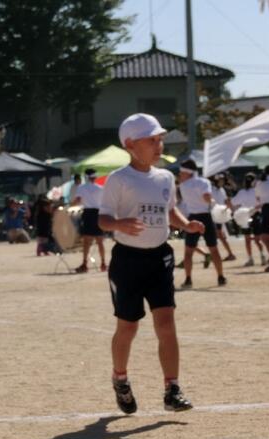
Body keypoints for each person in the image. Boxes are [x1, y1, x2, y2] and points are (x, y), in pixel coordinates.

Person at [98, 113, 204, 414]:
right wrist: (118, 224)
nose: (159, 146)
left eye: (160, 140)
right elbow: (102, 219)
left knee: (166, 323)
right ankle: (120, 378)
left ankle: (172, 389)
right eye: (151, 140)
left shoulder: (166, 178)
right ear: (130, 145)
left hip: (160, 257)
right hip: (127, 260)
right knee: (128, 326)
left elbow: (169, 211)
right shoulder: (119, 179)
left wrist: (187, 225)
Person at [178, 159, 226, 287]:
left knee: (188, 251)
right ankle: (221, 277)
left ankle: (188, 279)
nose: (180, 174)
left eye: (181, 172)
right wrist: (214, 203)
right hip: (206, 217)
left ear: (187, 172)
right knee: (213, 249)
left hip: (192, 218)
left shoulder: (183, 185)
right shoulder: (204, 182)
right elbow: (206, 198)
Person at [72, 168, 108, 272]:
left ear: (86, 177)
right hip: (98, 213)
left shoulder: (81, 187)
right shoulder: (100, 188)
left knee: (86, 241)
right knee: (100, 241)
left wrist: (69, 205)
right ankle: (103, 263)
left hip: (88, 214)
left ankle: (85, 264)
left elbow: (78, 200)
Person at [231, 172, 266, 267]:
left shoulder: (242, 192)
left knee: (248, 239)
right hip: (254, 215)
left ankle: (251, 259)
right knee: (257, 240)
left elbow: (233, 202)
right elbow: (262, 203)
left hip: (245, 216)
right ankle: (262, 256)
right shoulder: (258, 191)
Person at [210, 173, 236, 261]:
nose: (222, 182)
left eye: (223, 180)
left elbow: (225, 201)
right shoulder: (211, 189)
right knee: (218, 236)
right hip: (212, 215)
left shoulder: (222, 190)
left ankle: (229, 254)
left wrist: (230, 209)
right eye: (220, 180)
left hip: (218, 217)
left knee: (219, 235)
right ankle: (229, 254)